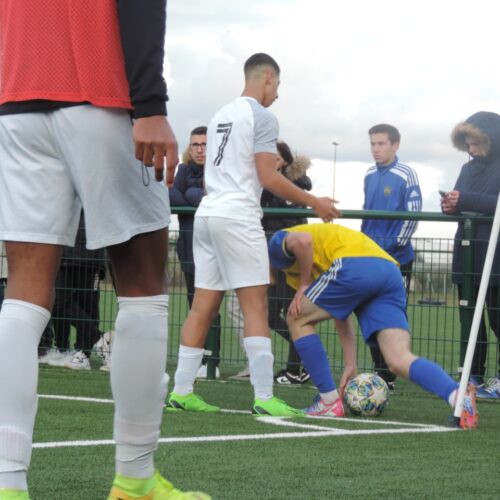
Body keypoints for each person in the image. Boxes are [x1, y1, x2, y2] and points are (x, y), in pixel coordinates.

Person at [0, 1, 209, 499]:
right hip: (101, 95)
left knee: (23, 295)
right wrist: (151, 105)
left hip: (16, 100)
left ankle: (7, 483)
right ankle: (135, 479)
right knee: (143, 290)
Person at [166, 52, 338, 416]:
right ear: (269, 77)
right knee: (256, 304)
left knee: (202, 305)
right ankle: (264, 396)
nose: (277, 94)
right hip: (237, 216)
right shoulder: (263, 116)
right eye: (278, 85)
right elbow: (268, 175)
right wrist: (314, 202)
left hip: (208, 214)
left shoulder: (219, 115)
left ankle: (181, 391)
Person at [267, 223, 478, 429]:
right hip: (389, 271)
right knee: (398, 359)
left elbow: (303, 241)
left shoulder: (274, 245)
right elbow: (339, 310)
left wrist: (304, 283)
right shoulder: (293, 273)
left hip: (354, 264)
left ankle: (328, 401)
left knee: (296, 318)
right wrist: (350, 363)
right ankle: (458, 397)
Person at [441, 111, 500, 400]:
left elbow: (491, 203)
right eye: (467, 143)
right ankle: (472, 376)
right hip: (466, 254)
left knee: (498, 320)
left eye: (475, 143)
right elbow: (461, 201)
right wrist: (450, 206)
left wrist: (466, 200)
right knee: (469, 320)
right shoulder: (466, 168)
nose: (471, 149)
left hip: (496, 256)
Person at [361, 123, 422, 390]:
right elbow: (366, 211)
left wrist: (395, 247)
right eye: (372, 144)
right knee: (368, 311)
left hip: (397, 259)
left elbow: (413, 214)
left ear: (395, 145)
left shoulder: (406, 173)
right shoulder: (368, 174)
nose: (375, 149)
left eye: (381, 143)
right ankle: (381, 372)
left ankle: (391, 370)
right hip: (370, 257)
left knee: (391, 313)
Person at [169, 126, 222, 379]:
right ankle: (196, 359)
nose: (200, 150)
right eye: (195, 145)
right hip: (189, 247)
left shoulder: (221, 170)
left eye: (204, 145)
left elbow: (217, 200)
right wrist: (196, 196)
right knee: (194, 304)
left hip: (215, 246)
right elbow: (171, 196)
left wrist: (188, 193)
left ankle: (212, 361)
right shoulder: (182, 170)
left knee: (212, 306)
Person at [261, 141, 312, 385]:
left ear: (286, 161)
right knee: (271, 316)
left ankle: (295, 370)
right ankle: (302, 352)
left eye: (277, 158)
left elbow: (290, 221)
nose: (273, 162)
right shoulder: (266, 183)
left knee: (292, 315)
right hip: (272, 255)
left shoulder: (294, 185)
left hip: (289, 257)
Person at [41, 212, 109, 371]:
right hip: (64, 251)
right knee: (58, 301)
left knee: (88, 304)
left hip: (91, 251)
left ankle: (83, 354)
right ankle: (99, 338)